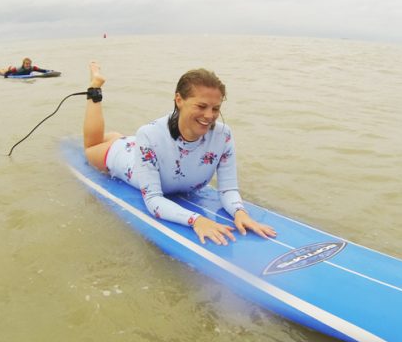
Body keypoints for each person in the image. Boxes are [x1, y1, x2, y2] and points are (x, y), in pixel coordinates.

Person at [81, 62, 277, 246]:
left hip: (145, 147)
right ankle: (95, 88)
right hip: (124, 158)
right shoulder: (149, 134)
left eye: (215, 108)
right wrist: (195, 220)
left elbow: (227, 189)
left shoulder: (223, 136)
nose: (209, 116)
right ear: (179, 100)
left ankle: (119, 137)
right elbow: (153, 199)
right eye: (201, 106)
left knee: (124, 138)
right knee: (91, 146)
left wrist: (239, 212)